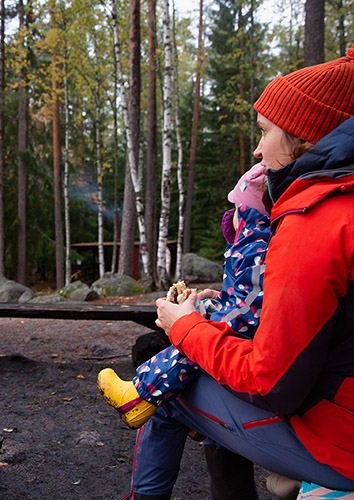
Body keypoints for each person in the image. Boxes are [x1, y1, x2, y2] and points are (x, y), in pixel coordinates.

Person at [110, 35, 354, 500]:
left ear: (303, 136)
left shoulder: (322, 215)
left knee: (169, 392)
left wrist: (186, 329)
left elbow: (270, 383)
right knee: (217, 355)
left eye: (264, 131)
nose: (257, 151)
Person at [99, 163, 271, 500]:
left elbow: (244, 322)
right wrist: (216, 302)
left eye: (236, 209)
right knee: (197, 347)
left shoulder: (255, 242)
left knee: (171, 393)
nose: (231, 216)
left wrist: (188, 322)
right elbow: (256, 303)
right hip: (262, 370)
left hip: (264, 387)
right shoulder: (267, 242)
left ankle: (140, 394)